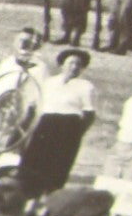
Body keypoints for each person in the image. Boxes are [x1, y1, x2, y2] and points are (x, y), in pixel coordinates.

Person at [16, 49, 96, 200]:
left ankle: (49, 201)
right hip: (46, 124)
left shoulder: (86, 86)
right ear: (62, 65)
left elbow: (89, 113)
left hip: (69, 127)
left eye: (79, 64)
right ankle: (28, 198)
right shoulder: (49, 82)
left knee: (58, 166)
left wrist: (76, 133)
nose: (74, 67)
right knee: (33, 161)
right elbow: (35, 105)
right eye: (71, 63)